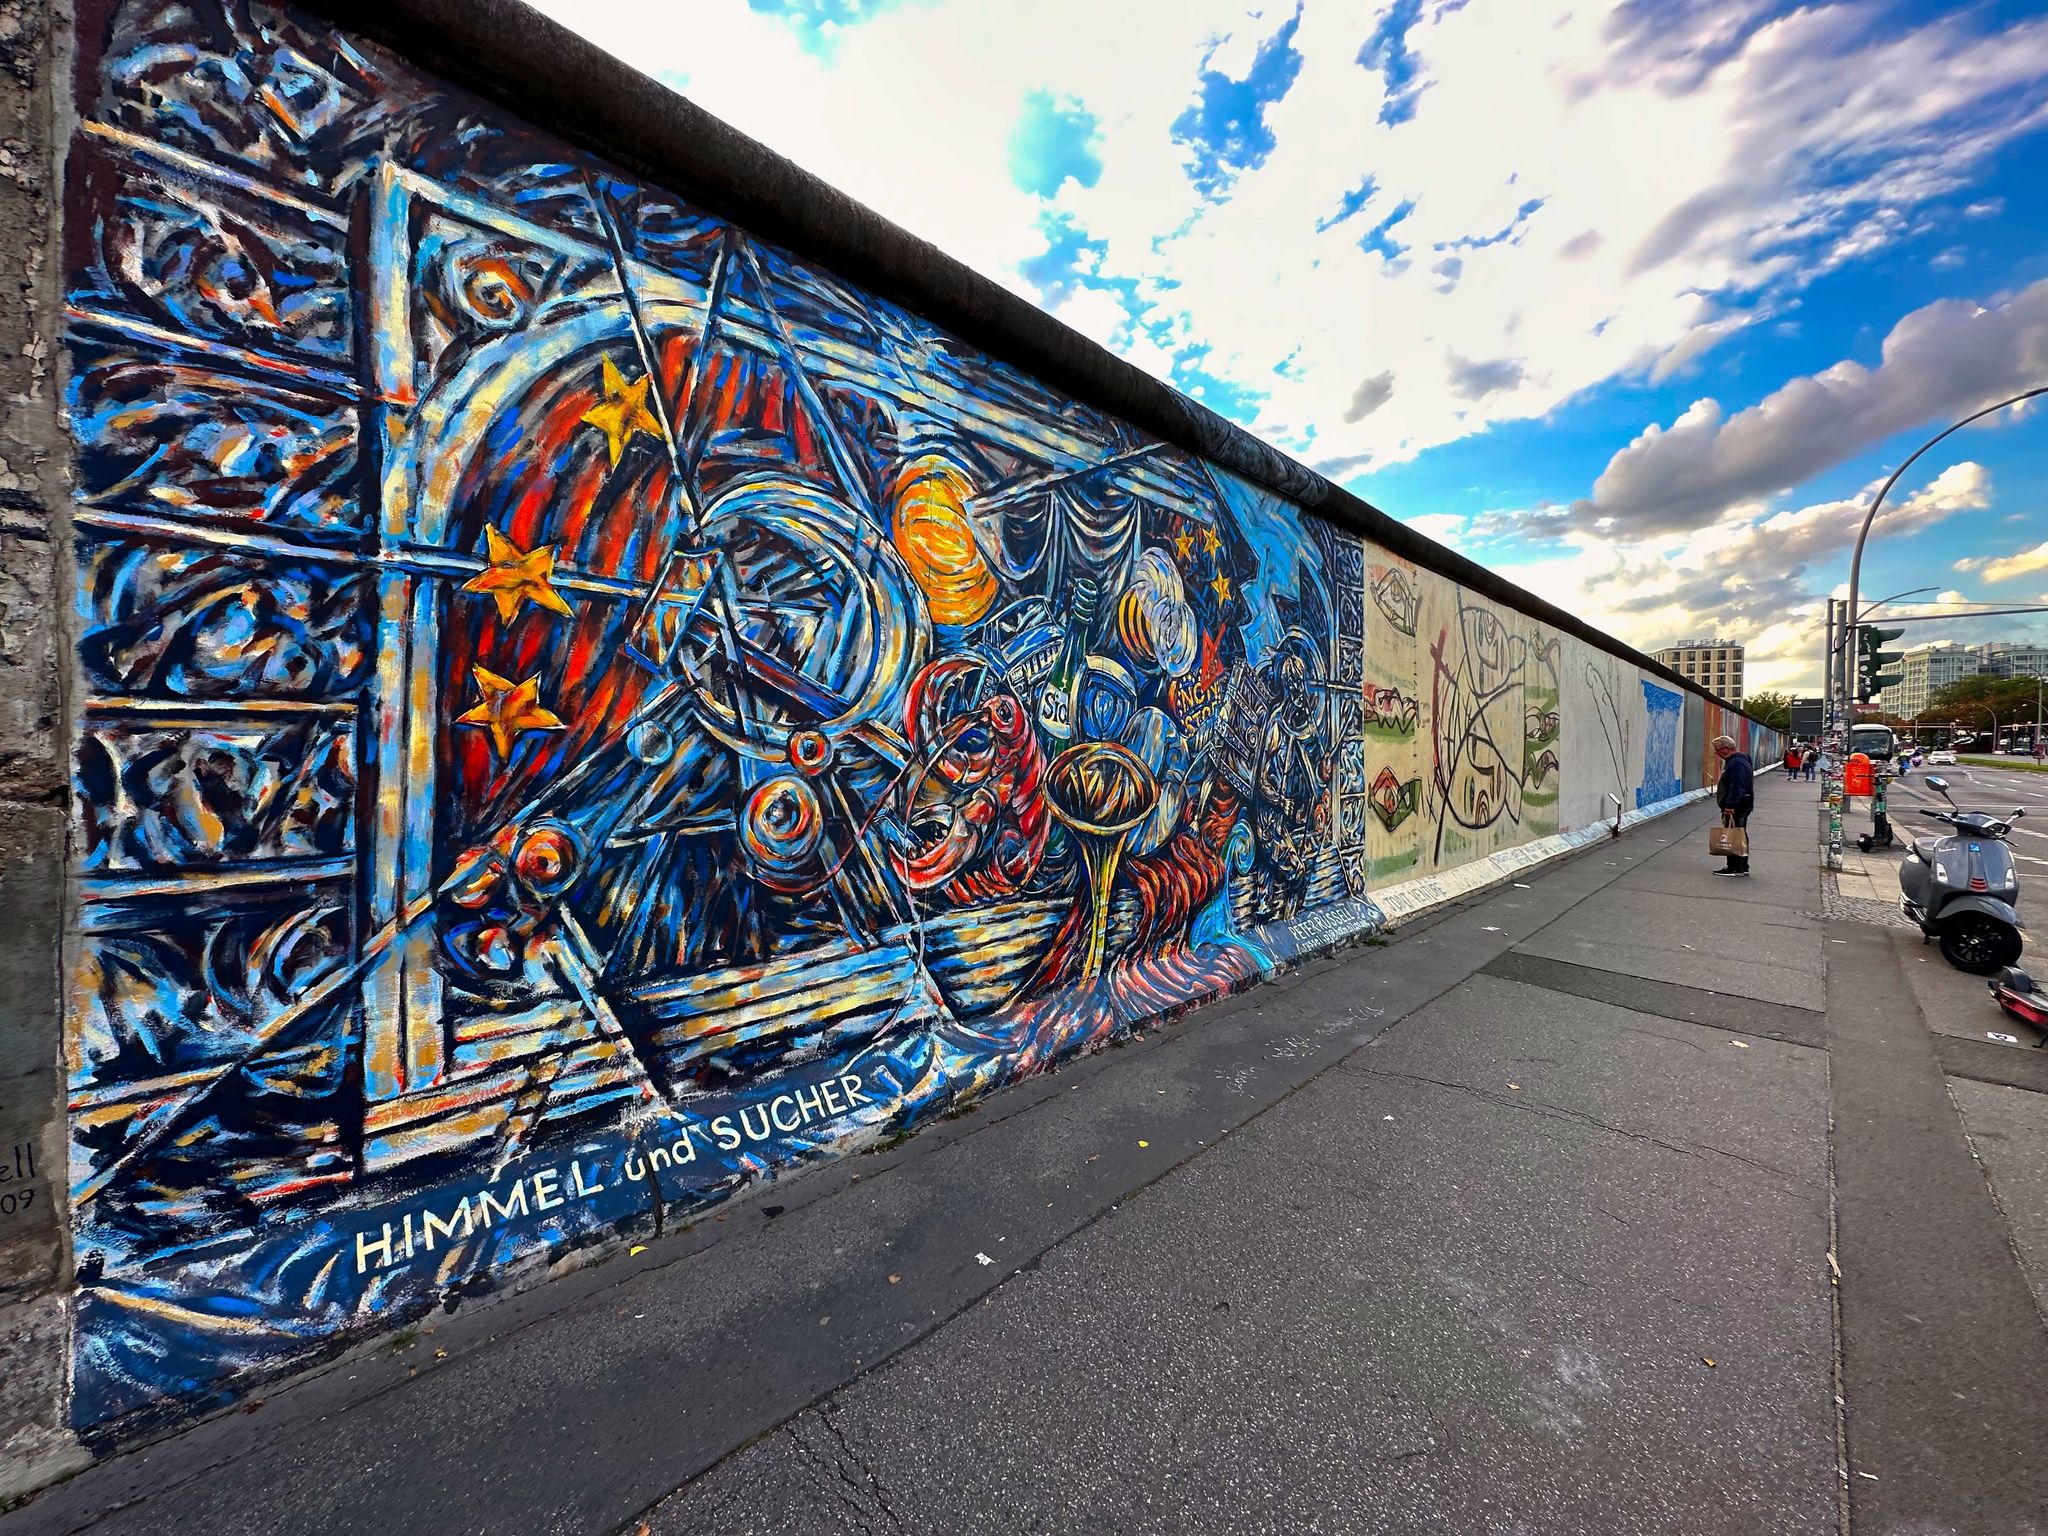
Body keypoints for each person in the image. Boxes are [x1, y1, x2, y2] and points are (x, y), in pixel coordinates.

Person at [1714, 733, 1754, 876]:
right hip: (1743, 804)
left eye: (1717, 750)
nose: (1716, 753)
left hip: (1737, 806)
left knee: (1733, 835)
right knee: (1739, 835)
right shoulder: (1741, 760)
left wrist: (1730, 805)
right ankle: (1742, 866)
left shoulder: (1736, 763)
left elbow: (1737, 786)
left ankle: (1735, 867)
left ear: (1726, 749)